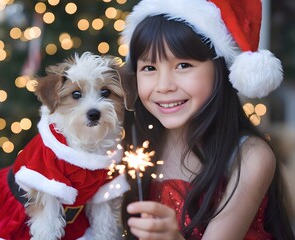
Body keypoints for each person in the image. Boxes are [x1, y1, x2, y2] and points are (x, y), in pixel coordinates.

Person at [119, 0, 295, 239]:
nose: (163, 86)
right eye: (149, 68)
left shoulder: (250, 157)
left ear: (219, 69)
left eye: (183, 65)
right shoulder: (131, 142)